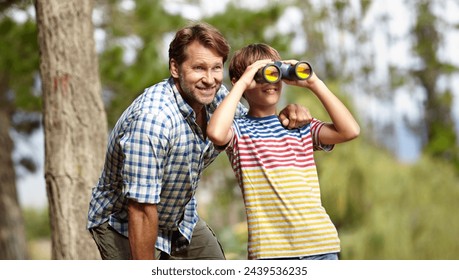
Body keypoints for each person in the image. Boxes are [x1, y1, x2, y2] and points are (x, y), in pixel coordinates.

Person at [87, 23, 313, 260]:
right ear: (175, 67)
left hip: (179, 216)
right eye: (199, 68)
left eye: (216, 68)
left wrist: (289, 114)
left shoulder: (217, 99)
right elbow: (141, 210)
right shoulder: (153, 121)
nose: (209, 79)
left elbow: (253, 129)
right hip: (124, 221)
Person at [207, 43, 360, 260]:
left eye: (275, 72)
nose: (272, 81)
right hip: (271, 252)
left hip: (321, 246)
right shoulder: (239, 131)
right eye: (263, 74)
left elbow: (350, 130)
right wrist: (242, 82)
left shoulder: (300, 126)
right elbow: (215, 133)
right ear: (240, 81)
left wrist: (314, 83)